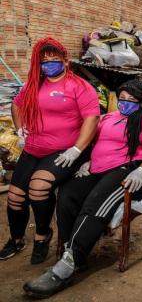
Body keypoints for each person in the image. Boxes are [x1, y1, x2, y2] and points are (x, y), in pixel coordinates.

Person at [23, 80, 142, 298]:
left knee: (96, 204)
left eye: (132, 100)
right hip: (99, 169)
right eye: (122, 99)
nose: (125, 103)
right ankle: (69, 251)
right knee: (67, 194)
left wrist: (141, 171)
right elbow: (93, 139)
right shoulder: (109, 117)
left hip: (129, 173)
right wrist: (87, 160)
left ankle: (69, 263)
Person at [0, 38, 100, 263]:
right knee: (15, 196)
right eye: (44, 62)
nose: (49, 65)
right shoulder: (34, 84)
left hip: (65, 151)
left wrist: (77, 149)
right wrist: (20, 130)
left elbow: (92, 119)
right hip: (33, 149)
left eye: (55, 60)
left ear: (65, 61)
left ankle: (42, 235)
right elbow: (16, 104)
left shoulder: (79, 86)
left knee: (38, 187)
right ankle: (16, 239)